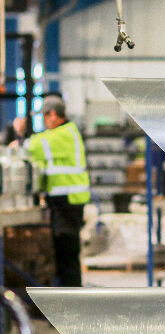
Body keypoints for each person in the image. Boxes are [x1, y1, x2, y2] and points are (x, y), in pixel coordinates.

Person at [21, 96, 90, 286]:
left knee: (67, 253)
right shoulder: (61, 134)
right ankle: (68, 292)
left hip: (69, 201)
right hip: (62, 202)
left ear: (52, 114)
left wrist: (21, 137)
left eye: (44, 117)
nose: (44, 122)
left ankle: (71, 294)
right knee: (63, 253)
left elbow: (34, 146)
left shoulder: (65, 134)